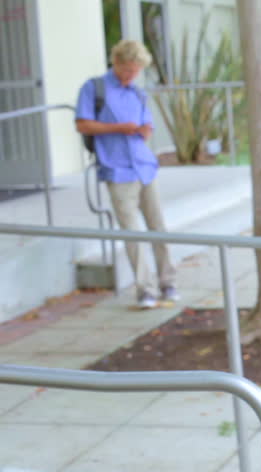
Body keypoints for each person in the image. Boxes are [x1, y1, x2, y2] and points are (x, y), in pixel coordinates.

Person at [75, 40, 178, 309]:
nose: (132, 75)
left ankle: (168, 281)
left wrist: (145, 130)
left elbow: (148, 124)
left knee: (158, 227)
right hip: (117, 168)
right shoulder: (94, 88)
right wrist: (118, 128)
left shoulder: (137, 93)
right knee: (132, 232)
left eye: (136, 71)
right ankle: (145, 289)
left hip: (144, 166)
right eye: (128, 69)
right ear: (117, 63)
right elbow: (82, 124)